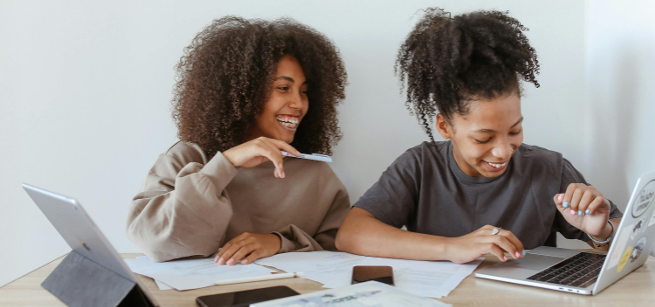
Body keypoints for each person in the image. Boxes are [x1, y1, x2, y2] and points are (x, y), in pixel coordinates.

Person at [335, 8, 623, 264]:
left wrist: (602, 232)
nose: (503, 151)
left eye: (515, 130)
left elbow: (629, 248)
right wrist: (453, 248)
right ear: (445, 127)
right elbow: (351, 233)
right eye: (484, 138)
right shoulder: (420, 166)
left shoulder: (548, 169)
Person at [127, 16, 350, 264]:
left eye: (304, 91)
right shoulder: (186, 157)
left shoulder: (315, 173)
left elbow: (339, 248)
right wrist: (226, 164)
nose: (298, 103)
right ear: (243, 91)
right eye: (283, 88)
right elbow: (157, 243)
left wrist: (278, 242)